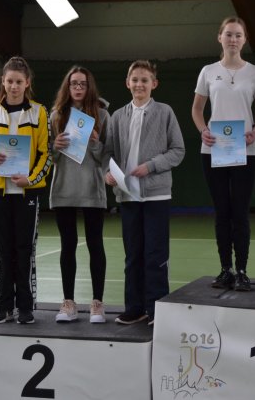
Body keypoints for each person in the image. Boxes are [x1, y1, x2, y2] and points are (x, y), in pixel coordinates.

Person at [0, 56, 52, 324]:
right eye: (10, 81)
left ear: (27, 83)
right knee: (2, 251)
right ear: (2, 82)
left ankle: (25, 307)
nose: (14, 86)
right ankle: (3, 306)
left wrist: (31, 179)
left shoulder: (39, 112)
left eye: (19, 82)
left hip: (27, 193)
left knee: (24, 250)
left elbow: (46, 153)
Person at [104, 60, 185, 325]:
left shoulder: (165, 112)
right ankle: (135, 308)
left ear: (154, 84)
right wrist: (108, 174)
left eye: (144, 80)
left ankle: (156, 308)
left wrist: (150, 166)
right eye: (135, 80)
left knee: (155, 255)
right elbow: (108, 153)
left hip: (156, 196)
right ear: (127, 83)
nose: (139, 84)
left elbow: (178, 151)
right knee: (133, 255)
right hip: (128, 196)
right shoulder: (117, 116)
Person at [191, 16, 255, 291]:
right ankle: (226, 269)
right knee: (222, 211)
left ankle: (243, 270)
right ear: (220, 37)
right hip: (213, 150)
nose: (233, 39)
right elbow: (197, 109)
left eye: (238, 35)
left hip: (245, 150)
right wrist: (203, 130)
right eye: (228, 34)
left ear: (244, 39)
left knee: (240, 212)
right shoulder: (208, 71)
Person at [49, 66, 110, 324]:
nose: (78, 88)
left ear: (89, 87)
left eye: (82, 84)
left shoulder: (102, 115)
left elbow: (107, 156)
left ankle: (97, 303)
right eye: (73, 83)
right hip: (64, 189)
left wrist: (95, 143)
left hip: (92, 190)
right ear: (67, 86)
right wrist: (54, 146)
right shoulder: (56, 116)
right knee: (68, 245)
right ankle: (68, 303)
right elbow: (49, 157)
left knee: (95, 245)